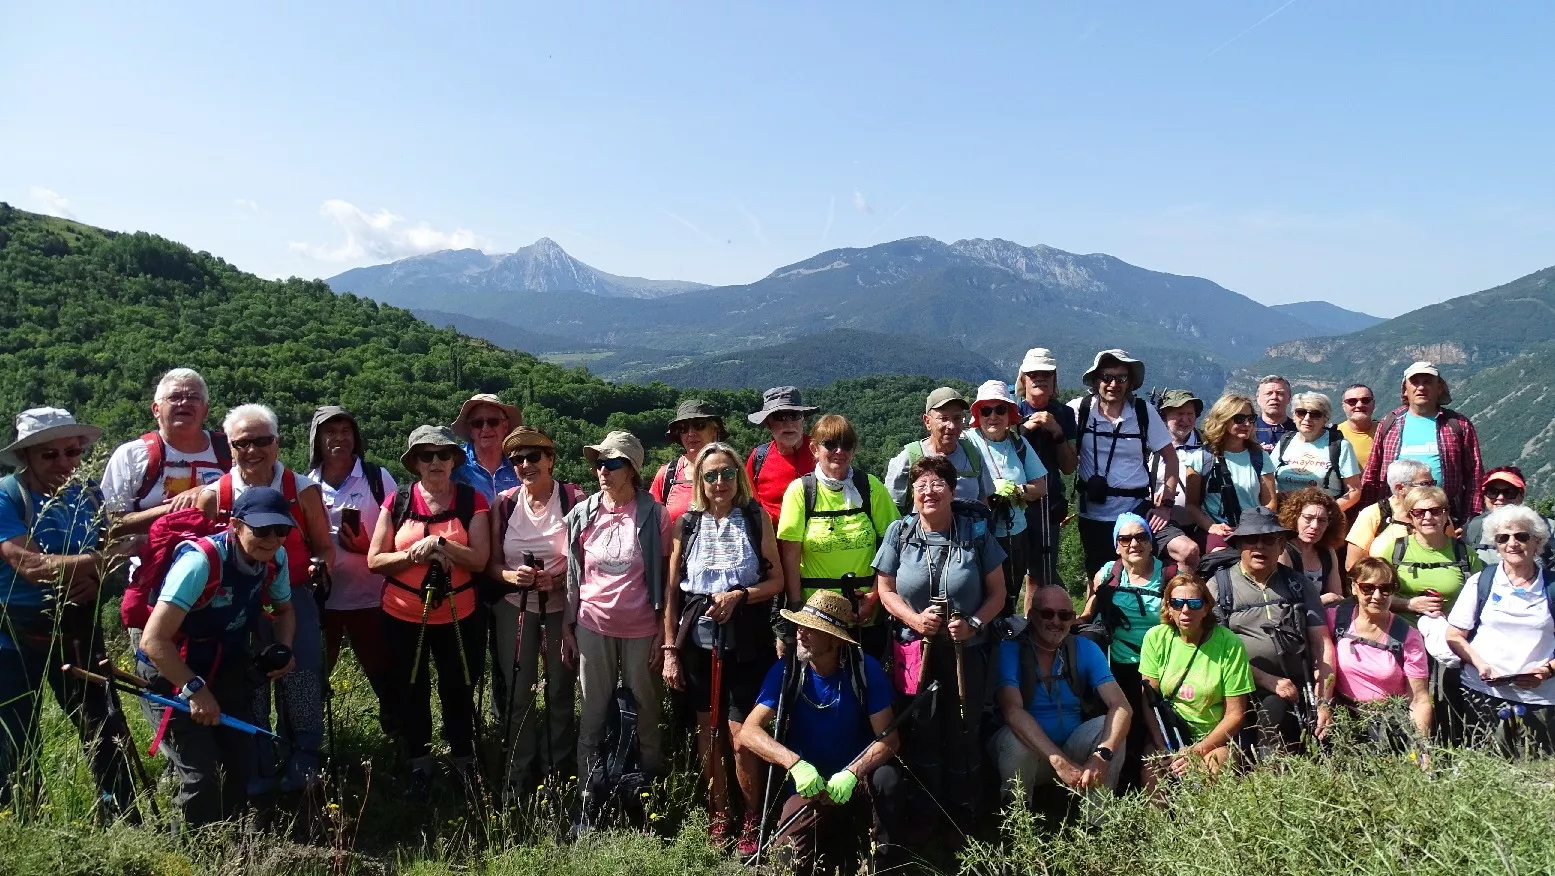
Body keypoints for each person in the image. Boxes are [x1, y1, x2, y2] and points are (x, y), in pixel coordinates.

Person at [0, 408, 138, 816]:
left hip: (79, 625)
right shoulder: (8, 496)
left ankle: (121, 820)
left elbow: (112, 555)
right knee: (14, 737)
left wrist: (97, 576)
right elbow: (31, 567)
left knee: (104, 726)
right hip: (11, 632)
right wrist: (100, 559)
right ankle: (22, 823)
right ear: (26, 456)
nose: (64, 463)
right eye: (49, 455)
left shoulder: (87, 493)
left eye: (73, 452)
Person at [194, 404, 334, 797]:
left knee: (301, 678)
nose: (253, 449)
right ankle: (255, 768)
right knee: (248, 686)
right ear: (230, 447)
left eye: (262, 440)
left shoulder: (301, 489)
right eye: (242, 443)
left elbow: (323, 546)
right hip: (235, 605)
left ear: (277, 442)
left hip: (295, 597)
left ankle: (303, 764)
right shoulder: (215, 496)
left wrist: (319, 567)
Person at [137, 487, 297, 827]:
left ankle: (234, 843)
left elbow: (284, 610)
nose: (272, 539)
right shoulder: (200, 563)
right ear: (236, 526)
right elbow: (154, 640)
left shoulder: (274, 560)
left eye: (281, 530)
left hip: (224, 668)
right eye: (262, 530)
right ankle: (193, 852)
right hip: (171, 673)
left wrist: (283, 649)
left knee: (239, 762)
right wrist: (195, 690)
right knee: (200, 775)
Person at [875, 455, 1006, 840]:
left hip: (968, 650)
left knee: (963, 728)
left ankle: (964, 812)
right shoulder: (900, 533)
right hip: (916, 650)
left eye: (937, 485)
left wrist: (975, 623)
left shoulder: (976, 531)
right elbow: (884, 589)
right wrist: (914, 620)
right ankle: (926, 811)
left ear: (952, 490)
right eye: (921, 487)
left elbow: (998, 593)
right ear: (912, 494)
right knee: (922, 728)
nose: (929, 492)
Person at [662, 442, 784, 851]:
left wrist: (740, 596)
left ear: (739, 477)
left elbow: (776, 582)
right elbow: (673, 591)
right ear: (699, 480)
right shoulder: (687, 524)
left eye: (727, 474)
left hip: (747, 639)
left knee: (739, 732)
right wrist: (669, 651)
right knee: (706, 729)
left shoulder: (755, 518)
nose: (720, 482)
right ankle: (719, 814)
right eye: (711, 475)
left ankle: (752, 816)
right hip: (697, 640)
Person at [740, 590, 904, 876]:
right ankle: (834, 837)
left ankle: (884, 863)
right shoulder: (787, 670)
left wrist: (853, 773)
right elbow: (749, 731)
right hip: (809, 786)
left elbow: (890, 738)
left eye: (812, 629)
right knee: (785, 863)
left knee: (887, 779)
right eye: (800, 626)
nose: (800, 634)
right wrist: (795, 764)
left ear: (835, 639)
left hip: (855, 782)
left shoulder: (865, 670)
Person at [368, 426, 491, 800]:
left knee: (459, 687)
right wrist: (412, 554)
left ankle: (462, 758)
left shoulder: (472, 501)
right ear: (414, 463)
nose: (435, 462)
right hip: (402, 614)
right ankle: (419, 760)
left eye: (443, 455)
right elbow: (375, 560)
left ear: (455, 460)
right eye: (426, 455)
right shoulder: (398, 501)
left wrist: (441, 545)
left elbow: (481, 559)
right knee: (411, 689)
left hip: (459, 613)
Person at [565, 430, 671, 783]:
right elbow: (572, 572)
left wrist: (662, 631)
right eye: (599, 463)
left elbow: (667, 578)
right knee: (592, 713)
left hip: (641, 627)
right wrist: (568, 626)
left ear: (632, 470)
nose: (602, 470)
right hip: (591, 624)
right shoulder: (582, 513)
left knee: (646, 710)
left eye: (612, 463)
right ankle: (588, 791)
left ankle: (648, 785)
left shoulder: (655, 514)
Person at [486, 427, 584, 793]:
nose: (525, 465)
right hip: (516, 605)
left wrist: (556, 582)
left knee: (560, 688)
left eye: (533, 457)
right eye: (517, 460)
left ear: (550, 459)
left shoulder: (574, 499)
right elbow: (491, 565)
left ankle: (558, 766)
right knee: (518, 691)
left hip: (564, 608)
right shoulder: (505, 503)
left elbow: (588, 557)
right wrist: (515, 576)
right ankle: (519, 770)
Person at [992, 583, 1131, 810]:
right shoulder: (1010, 650)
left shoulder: (1085, 648)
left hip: (1072, 747)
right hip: (1031, 755)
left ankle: (1098, 824)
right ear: (1030, 615)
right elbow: (1012, 711)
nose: (1056, 622)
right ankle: (1018, 821)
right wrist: (1058, 761)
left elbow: (1121, 704)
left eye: (1064, 615)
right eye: (1047, 613)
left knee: (1112, 726)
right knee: (1014, 742)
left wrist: (1102, 755)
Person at [1211, 508, 1336, 753]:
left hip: (1298, 685)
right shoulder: (1219, 587)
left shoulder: (1299, 585)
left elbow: (1322, 645)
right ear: (1238, 545)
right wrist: (1267, 680)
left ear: (1281, 546)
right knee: (1274, 711)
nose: (1260, 546)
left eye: (1269, 540)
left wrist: (1323, 701)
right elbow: (1215, 651)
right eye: (1251, 540)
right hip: (1242, 685)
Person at [775, 415, 899, 660]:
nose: (839, 451)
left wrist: (874, 598)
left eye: (847, 444)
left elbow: (892, 545)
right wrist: (796, 604)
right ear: (814, 448)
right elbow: (790, 553)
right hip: (815, 614)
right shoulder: (801, 491)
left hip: (864, 612)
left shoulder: (870, 487)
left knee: (865, 682)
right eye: (830, 444)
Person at [306, 405, 397, 731]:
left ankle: (398, 740)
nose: (339, 439)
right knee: (315, 674)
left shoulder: (377, 478)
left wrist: (364, 545)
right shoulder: (305, 485)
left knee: (384, 674)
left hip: (371, 598)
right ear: (317, 439)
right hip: (321, 601)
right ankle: (311, 740)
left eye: (345, 432)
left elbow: (401, 535)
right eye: (330, 432)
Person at [1069, 350, 1194, 575]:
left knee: (1178, 555)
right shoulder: (1080, 409)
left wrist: (1165, 505)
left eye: (1121, 378)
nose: (1113, 383)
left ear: (1130, 382)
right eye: (1107, 377)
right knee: (1098, 579)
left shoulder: (1142, 412)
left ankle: (1178, 605)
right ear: (1096, 380)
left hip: (1136, 509)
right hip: (1093, 513)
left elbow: (1170, 457)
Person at [1446, 505, 1555, 756]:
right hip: (1483, 694)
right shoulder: (1481, 581)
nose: (1512, 543)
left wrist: (1548, 671)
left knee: (1536, 775)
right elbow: (1454, 634)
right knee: (1485, 770)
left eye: (1521, 536)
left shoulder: (1551, 586)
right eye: (1503, 538)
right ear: (1495, 544)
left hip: (1539, 700)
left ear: (1537, 542)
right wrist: (1479, 664)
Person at [1077, 512, 1168, 789]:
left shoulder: (1170, 574)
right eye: (1125, 538)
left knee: (1154, 725)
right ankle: (1125, 780)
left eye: (1141, 537)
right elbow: (1087, 615)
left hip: (1162, 664)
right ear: (1117, 545)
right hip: (1120, 662)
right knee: (1127, 721)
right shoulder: (1108, 573)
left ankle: (1154, 778)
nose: (1133, 544)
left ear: (1151, 542)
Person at [1138, 574, 1253, 790]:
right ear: (1168, 607)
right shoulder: (1156, 638)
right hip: (1169, 733)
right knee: (1151, 772)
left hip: (1215, 739)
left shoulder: (1230, 644)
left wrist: (1198, 750)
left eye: (1194, 603)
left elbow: (1235, 714)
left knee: (1213, 770)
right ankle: (1159, 823)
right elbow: (1148, 700)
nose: (1185, 610)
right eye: (1177, 603)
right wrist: (1161, 744)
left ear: (1206, 607)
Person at [101, 367, 231, 536]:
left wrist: (209, 492)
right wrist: (176, 510)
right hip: (150, 558)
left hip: (221, 557)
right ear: (156, 409)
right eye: (174, 397)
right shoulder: (131, 455)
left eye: (193, 397)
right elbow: (109, 524)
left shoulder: (231, 449)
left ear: (205, 410)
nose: (184, 403)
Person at [1359, 362, 1483, 524]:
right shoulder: (1390, 423)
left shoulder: (1458, 425)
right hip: (1395, 517)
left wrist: (1469, 521)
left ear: (1439, 388)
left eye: (1427, 382)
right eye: (1415, 382)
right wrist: (1367, 517)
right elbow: (1372, 473)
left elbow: (1475, 475)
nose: (1421, 387)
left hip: (1443, 518)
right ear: (1405, 389)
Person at [965, 380, 1047, 616]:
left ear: (1010, 413)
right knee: (978, 598)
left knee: (1009, 595)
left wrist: (1018, 490)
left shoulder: (1018, 444)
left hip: (1014, 536)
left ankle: (1006, 639)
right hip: (978, 536)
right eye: (986, 410)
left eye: (1000, 409)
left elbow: (1040, 487)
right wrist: (989, 491)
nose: (993, 416)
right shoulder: (967, 442)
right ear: (977, 414)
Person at [1329, 558, 1433, 742]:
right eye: (1367, 588)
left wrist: (1421, 749)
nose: (1377, 596)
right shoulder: (1336, 619)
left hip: (1388, 726)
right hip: (1341, 721)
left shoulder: (1408, 637)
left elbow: (1418, 700)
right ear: (1354, 587)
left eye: (1385, 589)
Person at [1014, 348, 1078, 594]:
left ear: (1054, 380)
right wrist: (1026, 428)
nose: (1040, 378)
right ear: (1023, 380)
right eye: (1033, 374)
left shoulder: (1064, 414)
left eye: (1046, 374)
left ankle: (1035, 625)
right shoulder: (1010, 411)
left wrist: (1057, 431)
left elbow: (1069, 466)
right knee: (1015, 572)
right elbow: (1003, 453)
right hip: (1015, 502)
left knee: (1041, 574)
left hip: (1048, 506)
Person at [1370, 486, 1480, 622]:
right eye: (1419, 512)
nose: (1428, 517)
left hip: (1449, 633)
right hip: (1402, 633)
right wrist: (1409, 604)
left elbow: (1480, 598)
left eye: (1435, 511)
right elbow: (1371, 596)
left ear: (1446, 515)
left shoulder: (1465, 554)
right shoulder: (1395, 550)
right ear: (1410, 517)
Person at [1185, 394, 1276, 553]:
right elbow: (1191, 506)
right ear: (1223, 420)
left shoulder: (1260, 458)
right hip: (1219, 532)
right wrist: (1211, 526)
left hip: (1253, 530)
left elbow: (1270, 503)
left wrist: (1254, 527)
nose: (1247, 424)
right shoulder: (1201, 458)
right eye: (1239, 419)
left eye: (1251, 418)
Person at [883, 387, 995, 511]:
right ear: (927, 421)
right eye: (944, 418)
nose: (951, 426)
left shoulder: (972, 454)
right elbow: (892, 510)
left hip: (968, 529)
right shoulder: (909, 458)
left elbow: (983, 501)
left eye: (957, 418)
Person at [1270, 392, 1361, 513]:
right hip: (1283, 517)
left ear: (1325, 419)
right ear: (1294, 415)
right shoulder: (1285, 442)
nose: (1307, 418)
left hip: (1320, 522)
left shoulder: (1339, 445)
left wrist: (1325, 514)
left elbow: (1354, 491)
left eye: (1315, 414)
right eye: (1301, 412)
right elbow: (1267, 480)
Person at [746, 387, 818, 524]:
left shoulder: (822, 454)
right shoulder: (758, 458)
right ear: (768, 423)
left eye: (794, 415)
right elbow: (750, 504)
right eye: (780, 416)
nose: (788, 423)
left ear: (803, 419)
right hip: (771, 543)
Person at [1345, 458, 1433, 570]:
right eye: (1425, 484)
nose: (1432, 489)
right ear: (1400, 488)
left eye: (1432, 483)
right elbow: (1352, 565)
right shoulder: (1373, 513)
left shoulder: (1437, 513)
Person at [651, 399, 727, 524]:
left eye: (699, 425)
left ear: (714, 431)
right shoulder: (666, 476)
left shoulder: (732, 472)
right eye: (683, 429)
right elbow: (652, 524)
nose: (691, 433)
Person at [1463, 467, 1555, 568]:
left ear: (1522, 495)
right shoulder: (1474, 527)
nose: (1501, 497)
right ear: (1484, 496)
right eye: (1493, 492)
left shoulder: (1547, 527)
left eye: (1510, 492)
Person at [1277, 486, 1348, 607]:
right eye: (1308, 518)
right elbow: (1282, 604)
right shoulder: (1283, 551)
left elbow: (1336, 598)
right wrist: (1321, 601)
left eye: (1322, 520)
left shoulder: (1328, 552)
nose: (1315, 526)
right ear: (1295, 517)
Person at [450, 393, 522, 504]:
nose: (485, 428)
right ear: (470, 430)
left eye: (493, 422)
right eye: (477, 423)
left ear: (505, 426)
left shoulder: (521, 463)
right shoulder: (453, 465)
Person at [1151, 389, 1204, 540]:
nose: (1185, 420)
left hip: (1202, 525)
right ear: (1164, 416)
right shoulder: (1149, 447)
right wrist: (1150, 496)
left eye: (1190, 414)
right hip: (1160, 524)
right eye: (1179, 414)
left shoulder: (1208, 445)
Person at [1337, 383, 1378, 468]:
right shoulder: (1333, 436)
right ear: (1344, 406)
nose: (1359, 405)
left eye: (1365, 400)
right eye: (1352, 401)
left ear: (1373, 404)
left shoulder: (1388, 433)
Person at [1253, 375, 1296, 453]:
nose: (1274, 397)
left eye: (1280, 393)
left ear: (1289, 398)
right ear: (1258, 399)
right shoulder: (1247, 429)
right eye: (1268, 393)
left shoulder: (1299, 431)